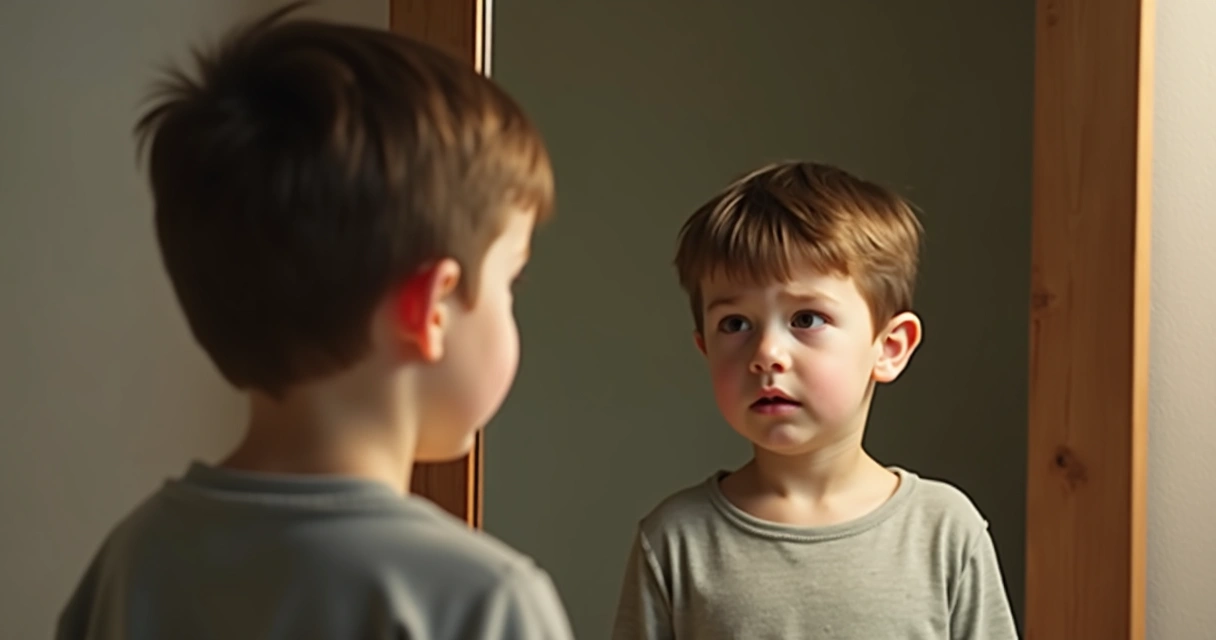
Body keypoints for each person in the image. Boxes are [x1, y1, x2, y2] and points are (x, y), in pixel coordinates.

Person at [57, 4, 572, 638]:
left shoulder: (133, 562)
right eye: (509, 281)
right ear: (430, 307)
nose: (512, 303)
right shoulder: (483, 601)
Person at [611, 161, 1018, 639]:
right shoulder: (675, 542)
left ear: (889, 348)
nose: (766, 354)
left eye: (806, 319)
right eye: (735, 324)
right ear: (704, 346)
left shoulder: (945, 532)